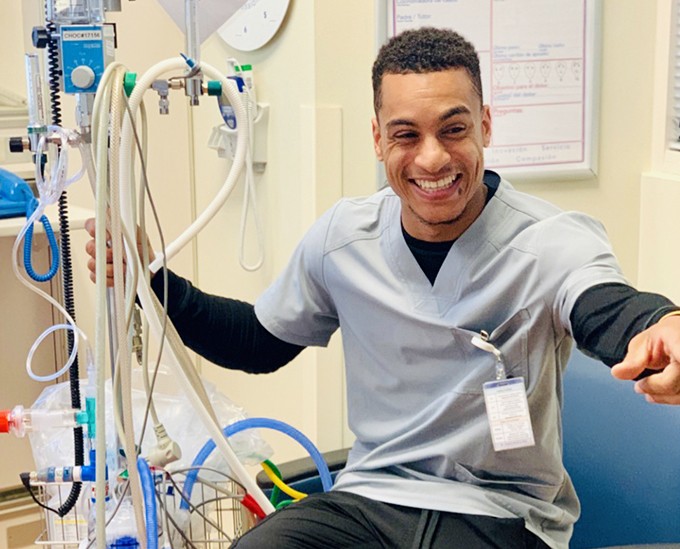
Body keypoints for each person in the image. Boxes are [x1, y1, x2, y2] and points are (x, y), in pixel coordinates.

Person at [86, 27, 680, 549]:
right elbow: (258, 343)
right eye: (405, 134)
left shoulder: (550, 241)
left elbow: (608, 307)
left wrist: (663, 324)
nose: (431, 158)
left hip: (500, 517)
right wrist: (149, 279)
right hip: (369, 502)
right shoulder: (344, 239)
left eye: (454, 129)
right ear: (377, 139)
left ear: (486, 126)